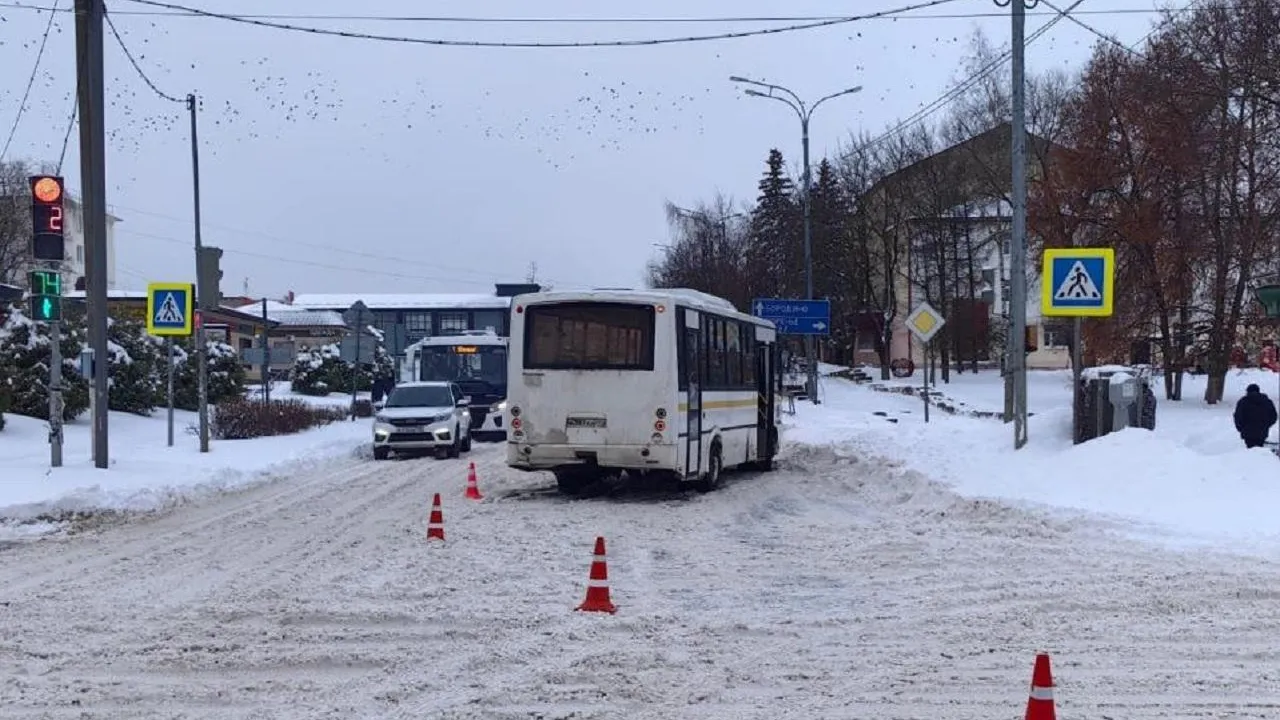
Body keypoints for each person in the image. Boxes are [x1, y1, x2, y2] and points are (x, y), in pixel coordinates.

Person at [1233, 383, 1277, 449]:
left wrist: (1241, 428)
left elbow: (1238, 417)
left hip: (1247, 432)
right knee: (1259, 448)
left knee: (1250, 449)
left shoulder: (1243, 402)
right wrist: (1266, 425)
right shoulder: (1267, 401)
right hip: (1262, 431)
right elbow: (1273, 416)